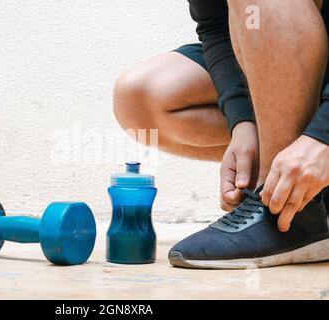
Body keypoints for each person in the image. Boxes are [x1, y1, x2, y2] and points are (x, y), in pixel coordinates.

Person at [113, 0, 329, 268]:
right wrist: (242, 122)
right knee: (140, 97)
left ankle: (291, 215)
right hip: (290, 57)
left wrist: (324, 137)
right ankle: (294, 189)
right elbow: (216, 26)